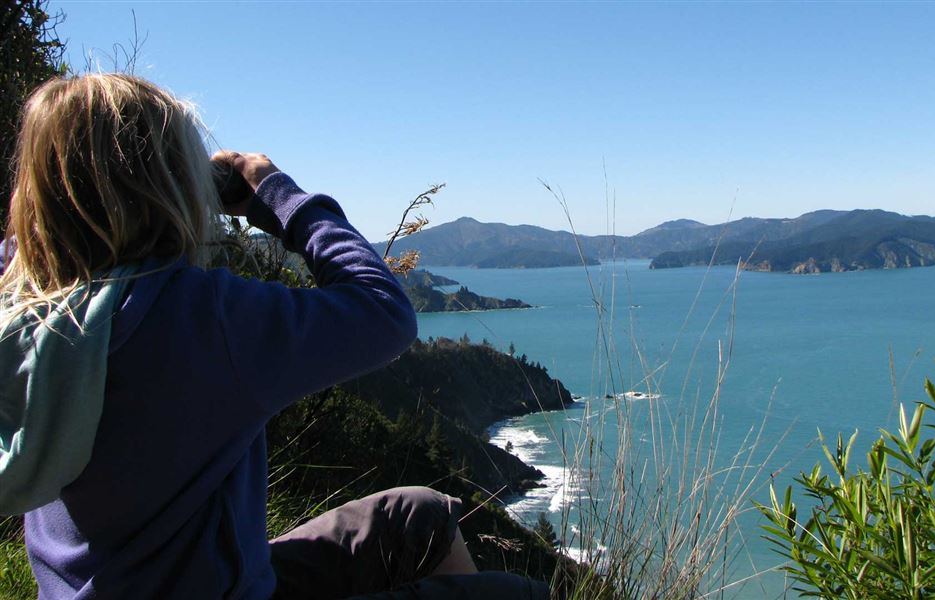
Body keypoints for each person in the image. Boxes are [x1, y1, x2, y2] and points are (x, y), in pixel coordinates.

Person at [0, 74, 549, 600]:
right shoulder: (197, 317)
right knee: (519, 594)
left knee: (419, 514)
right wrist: (275, 193)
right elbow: (383, 311)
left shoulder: (25, 306)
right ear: (169, 188)